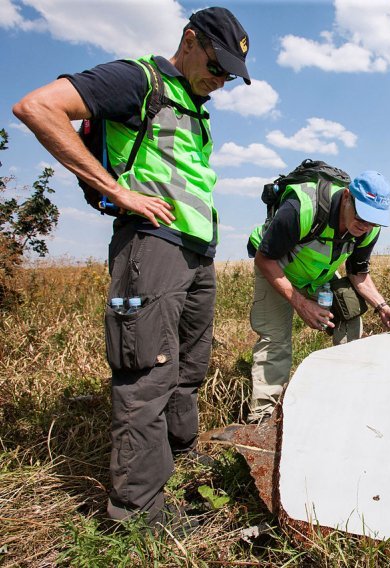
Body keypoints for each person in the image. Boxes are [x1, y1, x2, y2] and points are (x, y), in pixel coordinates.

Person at [13, 7, 251, 526]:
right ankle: (138, 516)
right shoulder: (137, 79)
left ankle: (178, 458)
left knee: (188, 366)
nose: (222, 79)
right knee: (146, 374)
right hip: (152, 247)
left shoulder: (193, 102)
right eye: (217, 65)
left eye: (231, 74)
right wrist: (117, 190)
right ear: (190, 40)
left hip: (195, 251)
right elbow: (38, 107)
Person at [245, 170, 390, 423]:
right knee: (276, 340)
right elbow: (264, 259)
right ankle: (262, 419)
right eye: (362, 215)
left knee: (351, 314)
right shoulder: (302, 208)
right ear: (346, 197)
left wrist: (382, 307)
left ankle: (343, 394)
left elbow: (358, 273)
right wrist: (301, 304)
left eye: (374, 221)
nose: (365, 226)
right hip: (276, 267)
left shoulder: (369, 230)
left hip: (316, 276)